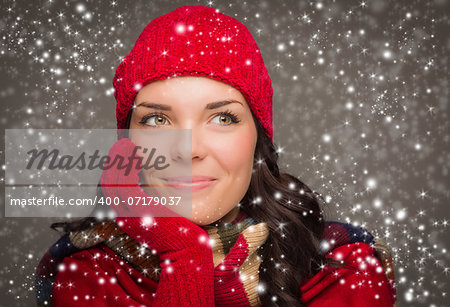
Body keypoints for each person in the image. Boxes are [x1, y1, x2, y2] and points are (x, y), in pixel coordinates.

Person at [35, 5, 397, 306]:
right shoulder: (84, 276)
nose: (189, 150)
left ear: (259, 140)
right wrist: (185, 259)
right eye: (158, 119)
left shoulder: (347, 269)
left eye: (223, 118)